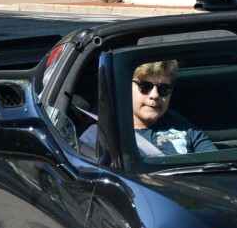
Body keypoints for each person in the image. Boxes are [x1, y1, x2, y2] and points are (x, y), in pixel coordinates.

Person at [80, 59, 216, 157]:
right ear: (125, 88)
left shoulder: (184, 128)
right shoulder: (100, 135)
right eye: (145, 86)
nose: (155, 95)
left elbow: (217, 164)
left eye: (164, 88)